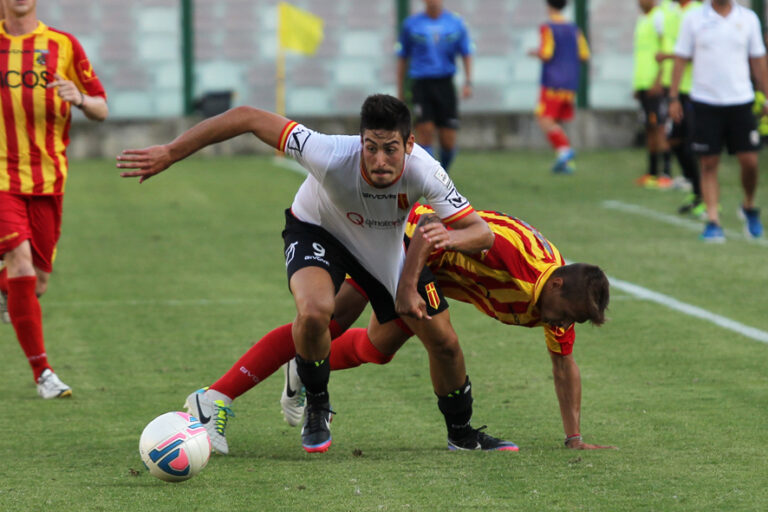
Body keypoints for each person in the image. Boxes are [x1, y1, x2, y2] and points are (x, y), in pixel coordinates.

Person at [117, 94, 514, 454]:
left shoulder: (426, 170)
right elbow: (247, 117)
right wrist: (171, 151)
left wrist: (449, 235)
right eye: (371, 148)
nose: (379, 160)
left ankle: (461, 435)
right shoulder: (328, 152)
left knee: (441, 343)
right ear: (359, 141)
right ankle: (317, 404)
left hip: (383, 250)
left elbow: (481, 233)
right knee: (314, 312)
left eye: (391, 150)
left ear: (409, 145)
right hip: (317, 230)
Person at [177, 203, 614, 455]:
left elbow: (563, 363)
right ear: (556, 284)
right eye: (566, 313)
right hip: (406, 238)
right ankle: (212, 398)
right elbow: (433, 226)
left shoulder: (557, 300)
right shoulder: (515, 258)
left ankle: (301, 366)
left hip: (435, 272)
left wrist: (574, 438)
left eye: (571, 320)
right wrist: (407, 281)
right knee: (432, 343)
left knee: (373, 346)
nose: (562, 323)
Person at [0, 0, 108, 398]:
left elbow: (101, 107)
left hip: (49, 181)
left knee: (37, 281)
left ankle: (5, 292)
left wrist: (78, 97)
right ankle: (43, 373)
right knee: (20, 261)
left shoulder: (63, 45)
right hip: (2, 180)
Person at [669, 0, 768, 241]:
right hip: (705, 102)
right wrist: (673, 97)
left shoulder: (748, 19)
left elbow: (758, 61)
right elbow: (680, 58)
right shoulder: (693, 19)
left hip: (741, 101)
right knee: (709, 162)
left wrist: (766, 96)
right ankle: (713, 221)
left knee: (750, 161)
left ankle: (748, 205)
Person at [396, 0, 472, 173]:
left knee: (448, 139)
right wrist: (400, 89)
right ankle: (428, 178)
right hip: (421, 84)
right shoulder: (411, 24)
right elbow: (402, 58)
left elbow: (466, 52)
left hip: (445, 83)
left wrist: (468, 81)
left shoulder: (455, 23)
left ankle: (442, 174)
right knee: (425, 130)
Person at [528, 0, 590, 175]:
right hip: (570, 83)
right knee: (557, 122)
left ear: (549, 6)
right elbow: (584, 55)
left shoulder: (548, 27)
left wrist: (535, 52)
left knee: (544, 119)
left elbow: (547, 53)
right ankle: (566, 164)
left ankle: (565, 151)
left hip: (553, 82)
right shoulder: (574, 28)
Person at [656, 0, 705, 214]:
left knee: (696, 146)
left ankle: (706, 197)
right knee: (674, 140)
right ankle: (696, 190)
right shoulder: (674, 11)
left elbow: (698, 52)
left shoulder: (698, 12)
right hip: (675, 89)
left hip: (694, 90)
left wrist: (666, 56)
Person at [633, 0, 673, 189]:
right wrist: (637, 84)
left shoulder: (659, 17)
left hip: (654, 83)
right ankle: (652, 172)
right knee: (649, 126)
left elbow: (665, 50)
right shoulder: (643, 19)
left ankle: (666, 172)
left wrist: (659, 79)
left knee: (659, 126)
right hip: (643, 83)